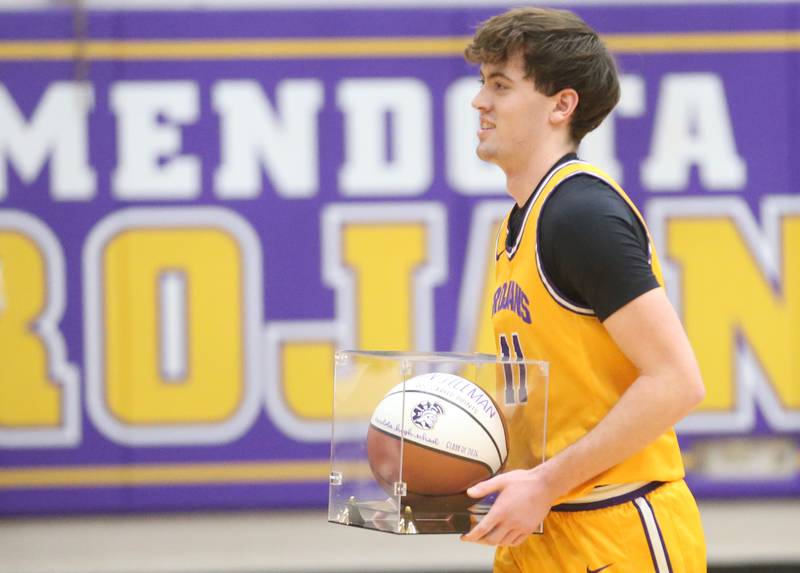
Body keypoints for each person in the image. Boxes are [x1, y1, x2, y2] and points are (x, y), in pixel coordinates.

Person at [459, 7, 707, 572]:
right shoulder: (517, 223)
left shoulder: (581, 212)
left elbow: (677, 381)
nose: (480, 102)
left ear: (561, 105)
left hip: (615, 524)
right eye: (482, 85)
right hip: (541, 523)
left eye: (501, 85)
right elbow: (546, 394)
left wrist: (546, 483)